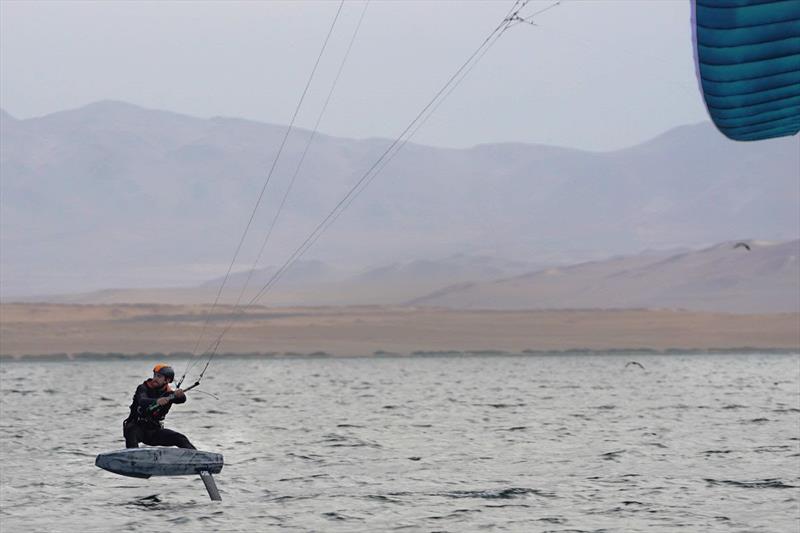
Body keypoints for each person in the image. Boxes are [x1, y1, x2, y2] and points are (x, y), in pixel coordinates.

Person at [123, 363, 195, 449]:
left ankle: (199, 459)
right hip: (137, 429)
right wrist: (157, 401)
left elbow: (182, 400)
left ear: (167, 380)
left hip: (154, 431)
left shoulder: (169, 395)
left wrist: (180, 395)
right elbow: (142, 400)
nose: (155, 378)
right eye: (155, 375)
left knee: (181, 439)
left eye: (159, 376)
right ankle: (132, 457)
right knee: (131, 430)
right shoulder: (143, 388)